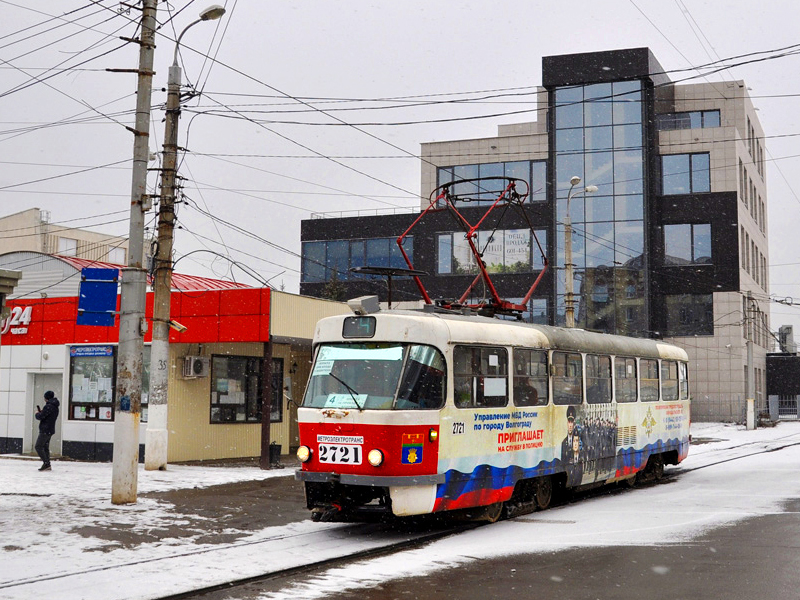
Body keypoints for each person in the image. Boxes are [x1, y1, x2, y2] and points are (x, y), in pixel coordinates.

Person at [34, 390, 60, 471]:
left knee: (38, 446)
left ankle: (46, 463)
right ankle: (47, 464)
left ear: (47, 398)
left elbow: (41, 416)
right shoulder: (55, 406)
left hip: (45, 429)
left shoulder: (48, 406)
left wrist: (37, 413)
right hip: (50, 429)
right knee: (45, 447)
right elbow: (47, 415)